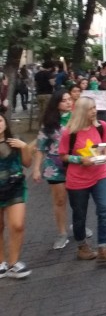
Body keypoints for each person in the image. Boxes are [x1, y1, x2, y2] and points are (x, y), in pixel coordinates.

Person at [58, 97, 106, 262]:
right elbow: (63, 156)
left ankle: (103, 247)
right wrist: (79, 160)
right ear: (81, 111)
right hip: (77, 179)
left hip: (100, 174)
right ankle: (82, 246)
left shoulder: (101, 127)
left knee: (105, 209)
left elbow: (105, 146)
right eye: (90, 109)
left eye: (94, 108)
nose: (93, 112)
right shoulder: (69, 132)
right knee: (79, 215)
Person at [32, 92, 75, 250]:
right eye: (64, 101)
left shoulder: (78, 118)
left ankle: (78, 225)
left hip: (75, 163)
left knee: (78, 199)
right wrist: (36, 168)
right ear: (56, 103)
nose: (68, 103)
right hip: (54, 166)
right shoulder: (50, 123)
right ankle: (62, 232)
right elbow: (40, 147)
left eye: (70, 99)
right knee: (59, 200)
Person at [0, 112, 34, 278]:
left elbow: (27, 163)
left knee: (17, 224)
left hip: (15, 187)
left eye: (0, 120)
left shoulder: (14, 141)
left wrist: (24, 147)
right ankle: (1, 263)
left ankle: (14, 263)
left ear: (5, 123)